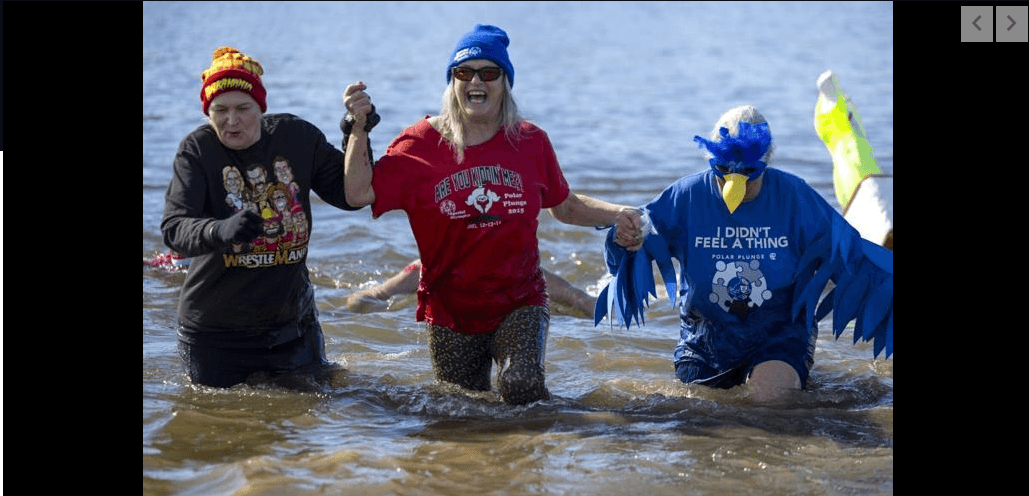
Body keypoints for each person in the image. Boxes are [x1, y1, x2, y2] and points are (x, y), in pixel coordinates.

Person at [340, 24, 644, 405]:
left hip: (520, 300)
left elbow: (564, 205)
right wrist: (358, 130)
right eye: (464, 73)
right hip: (451, 310)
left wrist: (620, 213)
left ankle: (552, 449)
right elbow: (356, 193)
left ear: (505, 82)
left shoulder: (530, 141)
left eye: (489, 73)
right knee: (462, 407)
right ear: (452, 82)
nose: (475, 82)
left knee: (523, 386)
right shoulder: (419, 145)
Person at [596, 105, 893, 402]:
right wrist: (624, 239)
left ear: (766, 161)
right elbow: (631, 250)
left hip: (779, 331)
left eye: (749, 173)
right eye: (722, 170)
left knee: (769, 399)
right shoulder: (686, 196)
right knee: (702, 413)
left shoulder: (794, 196)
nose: (733, 182)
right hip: (706, 337)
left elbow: (850, 256)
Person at [161, 47, 370, 388]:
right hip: (215, 335)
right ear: (207, 112)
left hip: (292, 328)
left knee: (309, 421)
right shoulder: (197, 150)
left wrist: (355, 131)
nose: (232, 120)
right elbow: (174, 228)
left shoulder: (297, 137)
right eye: (220, 110)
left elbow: (351, 197)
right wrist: (221, 229)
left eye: (243, 108)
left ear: (261, 106)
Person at [345, 259, 596, 318]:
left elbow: (581, 299)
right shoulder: (427, 267)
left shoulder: (520, 265)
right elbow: (365, 297)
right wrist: (392, 312)